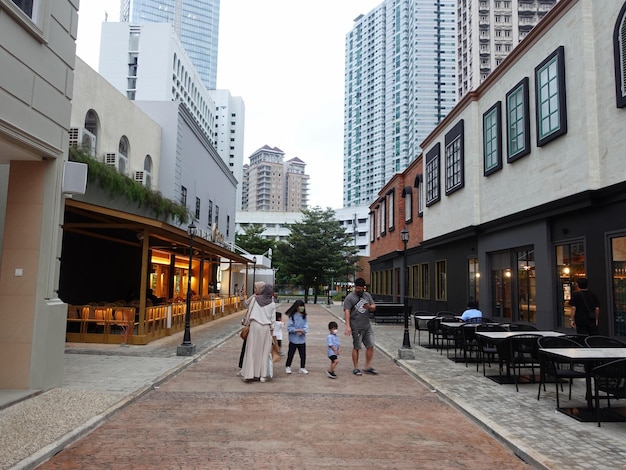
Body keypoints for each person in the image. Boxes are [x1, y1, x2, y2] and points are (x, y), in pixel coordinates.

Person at [241, 282, 276, 383]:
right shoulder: (272, 304)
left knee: (251, 350)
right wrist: (272, 334)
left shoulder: (255, 299)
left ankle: (250, 374)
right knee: (264, 352)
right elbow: (273, 321)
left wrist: (242, 297)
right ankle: (262, 376)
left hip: (254, 326)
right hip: (266, 329)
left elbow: (246, 307)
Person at [343, 277, 377, 376]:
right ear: (355, 287)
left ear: (364, 288)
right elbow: (347, 311)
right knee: (357, 347)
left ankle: (367, 366)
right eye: (357, 288)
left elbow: (374, 306)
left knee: (370, 345)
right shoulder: (350, 298)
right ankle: (356, 367)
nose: (359, 290)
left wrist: (370, 307)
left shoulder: (367, 296)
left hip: (367, 325)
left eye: (361, 288)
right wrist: (348, 326)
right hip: (356, 326)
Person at [284, 300, 309, 375]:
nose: (302, 308)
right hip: (293, 339)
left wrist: (303, 330)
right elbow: (289, 327)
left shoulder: (304, 316)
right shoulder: (292, 316)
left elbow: (306, 326)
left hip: (302, 339)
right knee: (291, 353)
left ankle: (302, 367)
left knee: (303, 354)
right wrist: (296, 330)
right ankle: (288, 366)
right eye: (300, 306)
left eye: (303, 306)